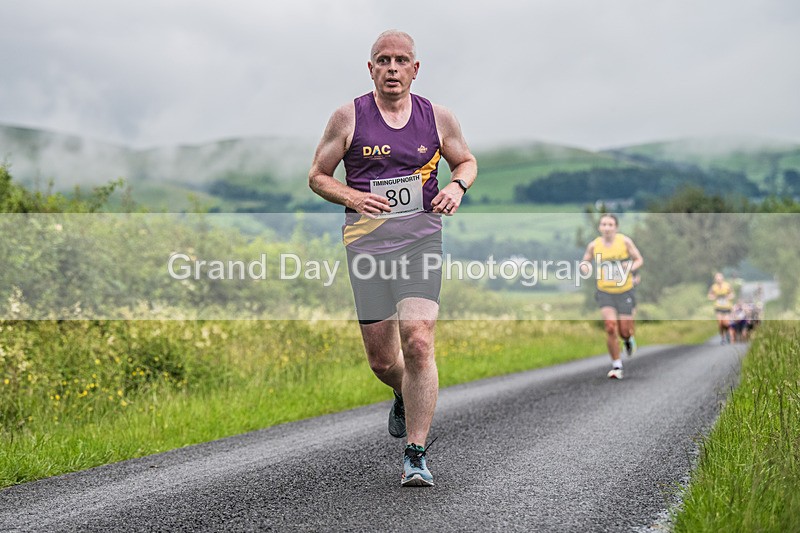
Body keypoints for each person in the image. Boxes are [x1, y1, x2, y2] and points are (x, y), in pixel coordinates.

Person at [308, 30, 477, 486]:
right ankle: (403, 392)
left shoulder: (437, 118)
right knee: (383, 361)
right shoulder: (348, 117)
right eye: (383, 60)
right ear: (371, 68)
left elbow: (466, 161)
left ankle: (416, 453)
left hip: (420, 242)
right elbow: (318, 176)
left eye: (401, 60)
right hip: (366, 248)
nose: (392, 68)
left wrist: (456, 186)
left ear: (415, 69)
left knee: (419, 340)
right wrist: (353, 196)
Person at [580, 214, 644, 380]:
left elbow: (639, 259)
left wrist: (629, 267)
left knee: (624, 330)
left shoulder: (625, 242)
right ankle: (617, 365)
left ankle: (628, 339)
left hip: (624, 290)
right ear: (600, 227)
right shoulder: (594, 245)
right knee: (610, 327)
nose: (607, 228)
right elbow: (585, 261)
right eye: (604, 224)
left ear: (616, 227)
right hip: (605, 291)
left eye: (610, 224)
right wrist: (585, 267)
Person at [707, 272, 734, 344]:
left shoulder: (727, 285)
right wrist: (713, 297)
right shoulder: (713, 287)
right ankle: (723, 338)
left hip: (727, 307)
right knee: (720, 323)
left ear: (722, 278)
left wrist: (729, 297)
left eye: (719, 278)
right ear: (715, 279)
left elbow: (732, 294)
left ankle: (728, 332)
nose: (718, 280)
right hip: (718, 307)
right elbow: (709, 295)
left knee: (726, 323)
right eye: (717, 278)